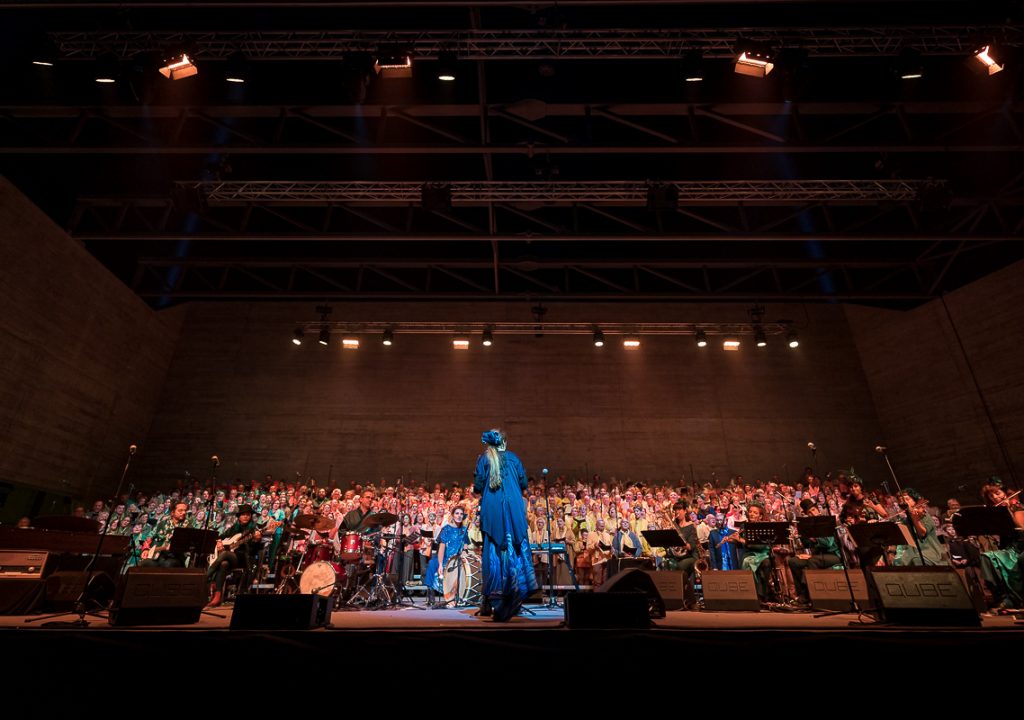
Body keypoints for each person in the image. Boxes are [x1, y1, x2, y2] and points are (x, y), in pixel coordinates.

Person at [472, 429, 538, 621]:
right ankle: (513, 598)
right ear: (505, 443)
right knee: (514, 549)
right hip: (514, 509)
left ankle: (494, 600)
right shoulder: (514, 458)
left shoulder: (483, 459)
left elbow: (477, 487)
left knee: (493, 552)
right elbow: (524, 483)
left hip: (493, 511)